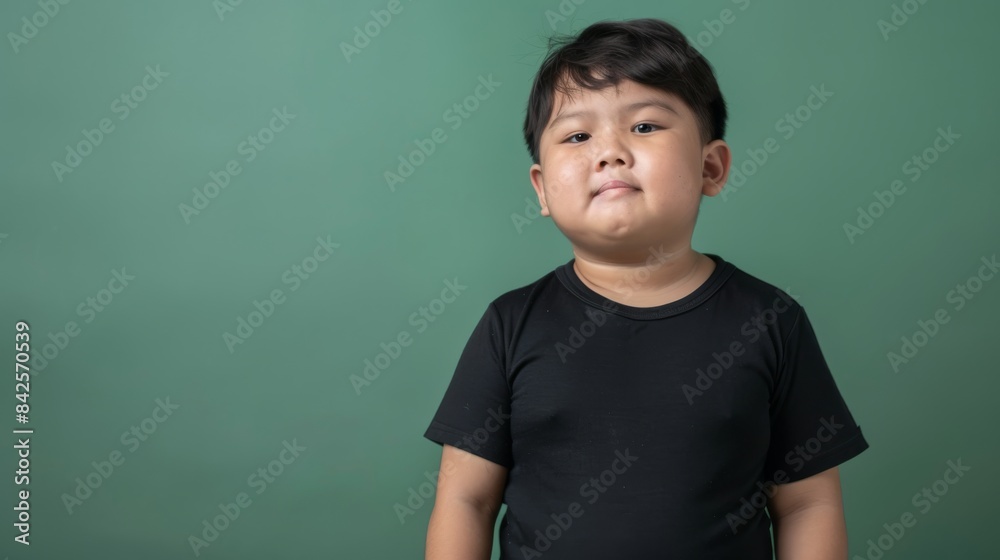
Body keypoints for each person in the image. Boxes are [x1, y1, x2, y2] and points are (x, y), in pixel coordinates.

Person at [423, 17, 869, 559]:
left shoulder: (770, 320)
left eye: (645, 127)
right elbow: (465, 500)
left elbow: (807, 505)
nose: (609, 152)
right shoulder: (510, 324)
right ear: (541, 188)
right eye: (578, 136)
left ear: (711, 166)